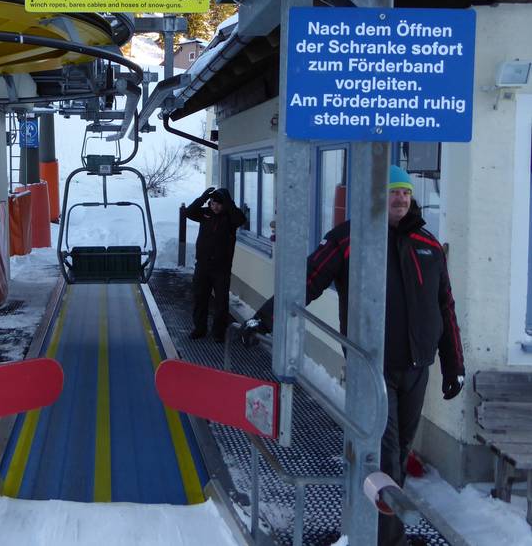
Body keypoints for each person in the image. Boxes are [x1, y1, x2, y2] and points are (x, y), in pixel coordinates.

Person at [242, 166, 465, 545]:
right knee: (384, 455)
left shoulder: (427, 245)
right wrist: (265, 318)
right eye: (392, 191)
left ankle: (378, 529)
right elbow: (308, 279)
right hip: (371, 367)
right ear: (376, 195)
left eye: (405, 192)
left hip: (417, 367)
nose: (400, 198)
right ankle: (384, 540)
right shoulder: (350, 239)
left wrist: (453, 365)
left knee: (399, 452)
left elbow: (444, 306)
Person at [185, 186, 247, 341]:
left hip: (221, 268)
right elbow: (188, 212)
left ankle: (218, 333)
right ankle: (199, 329)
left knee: (221, 302)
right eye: (213, 203)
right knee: (200, 298)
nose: (215, 207)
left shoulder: (231, 218)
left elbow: (241, 219)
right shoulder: (205, 213)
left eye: (219, 204)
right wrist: (203, 197)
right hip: (203, 265)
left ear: (225, 204)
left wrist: (228, 203)